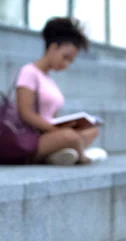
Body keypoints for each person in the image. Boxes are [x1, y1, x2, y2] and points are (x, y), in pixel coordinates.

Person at [15, 17, 105, 165]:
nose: (66, 64)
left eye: (71, 61)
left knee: (92, 131)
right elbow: (25, 113)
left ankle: (62, 153)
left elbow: (51, 115)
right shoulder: (28, 72)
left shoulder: (48, 79)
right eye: (65, 58)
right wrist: (54, 129)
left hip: (50, 133)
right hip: (33, 137)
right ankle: (79, 155)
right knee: (70, 137)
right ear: (53, 48)